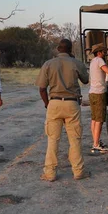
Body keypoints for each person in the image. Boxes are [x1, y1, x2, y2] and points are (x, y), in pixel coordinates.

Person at [36, 39, 90, 182]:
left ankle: (50, 173)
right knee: (75, 139)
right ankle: (78, 171)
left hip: (54, 103)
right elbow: (85, 80)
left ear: (58, 49)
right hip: (72, 104)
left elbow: (42, 88)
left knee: (53, 140)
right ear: (70, 49)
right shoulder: (76, 63)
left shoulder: (48, 64)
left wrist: (48, 104)